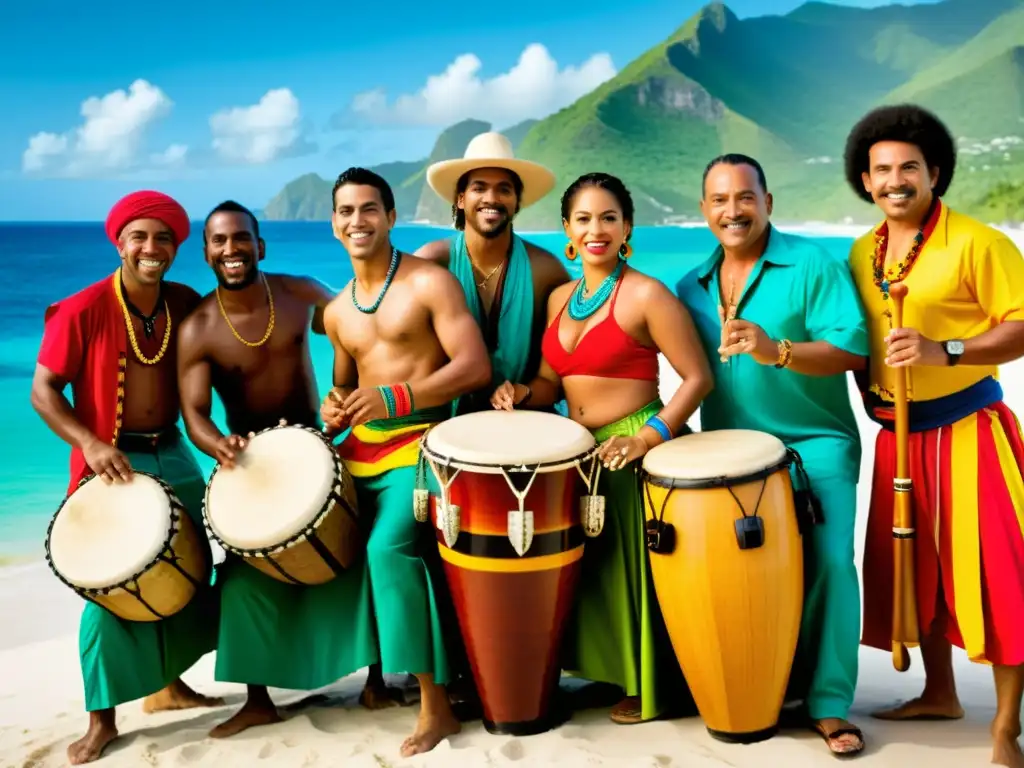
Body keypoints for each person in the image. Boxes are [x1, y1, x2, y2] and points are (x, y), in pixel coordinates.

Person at [491, 172, 713, 725]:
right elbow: (550, 382)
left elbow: (696, 378)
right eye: (584, 219)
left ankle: (652, 682)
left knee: (638, 569)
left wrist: (646, 437)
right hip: (581, 454)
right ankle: (611, 671)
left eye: (608, 218)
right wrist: (521, 392)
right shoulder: (560, 299)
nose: (597, 229)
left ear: (627, 228)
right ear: (566, 228)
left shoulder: (646, 294)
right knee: (598, 569)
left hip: (637, 448)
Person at [844, 104, 1024, 768]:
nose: (896, 180)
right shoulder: (861, 252)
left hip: (970, 430)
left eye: (909, 168)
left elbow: (1022, 325)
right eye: (883, 169)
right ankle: (939, 692)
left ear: (934, 173)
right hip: (898, 438)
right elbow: (858, 342)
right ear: (865, 180)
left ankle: (1006, 723)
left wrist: (944, 349)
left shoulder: (980, 243)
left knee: (999, 572)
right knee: (915, 572)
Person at [176, 200, 396, 738]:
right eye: (220, 241)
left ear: (260, 245)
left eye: (241, 239)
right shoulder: (199, 327)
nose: (232, 250)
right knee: (241, 579)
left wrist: (353, 394)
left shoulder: (299, 293)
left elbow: (362, 330)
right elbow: (194, 414)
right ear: (206, 252)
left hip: (321, 450)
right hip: (253, 467)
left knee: (356, 556)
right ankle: (257, 698)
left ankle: (376, 679)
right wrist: (220, 447)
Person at [675, 154, 870, 757]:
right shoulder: (689, 286)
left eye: (744, 197)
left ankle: (830, 703)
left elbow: (853, 350)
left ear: (767, 202)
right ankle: (767, 682)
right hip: (732, 458)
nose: (732, 210)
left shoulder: (812, 261)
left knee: (831, 563)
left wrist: (777, 349)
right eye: (719, 200)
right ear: (704, 209)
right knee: (748, 580)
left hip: (817, 443)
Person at [30, 191, 223, 765]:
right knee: (111, 590)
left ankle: (168, 686)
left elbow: (238, 334)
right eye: (139, 236)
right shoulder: (83, 308)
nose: (152, 247)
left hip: (174, 451)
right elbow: (42, 391)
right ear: (120, 243)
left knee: (191, 568)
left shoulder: (185, 303)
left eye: (163, 238)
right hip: (112, 467)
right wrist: (89, 442)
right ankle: (101, 719)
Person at [318, 167, 492, 756]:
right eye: (346, 211)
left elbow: (474, 368)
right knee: (311, 546)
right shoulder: (337, 311)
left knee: (385, 551)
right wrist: (334, 406)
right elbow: (343, 390)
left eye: (370, 209)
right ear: (334, 224)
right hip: (359, 454)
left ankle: (435, 707)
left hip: (422, 447)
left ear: (391, 217)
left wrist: (395, 397)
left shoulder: (429, 283)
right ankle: (369, 681)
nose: (357, 220)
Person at [414, 131, 570, 415]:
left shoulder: (546, 271)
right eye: (479, 188)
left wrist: (525, 392)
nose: (492, 198)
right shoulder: (432, 262)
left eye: (504, 189)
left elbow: (565, 368)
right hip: (442, 425)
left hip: (524, 419)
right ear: (460, 199)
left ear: (516, 202)